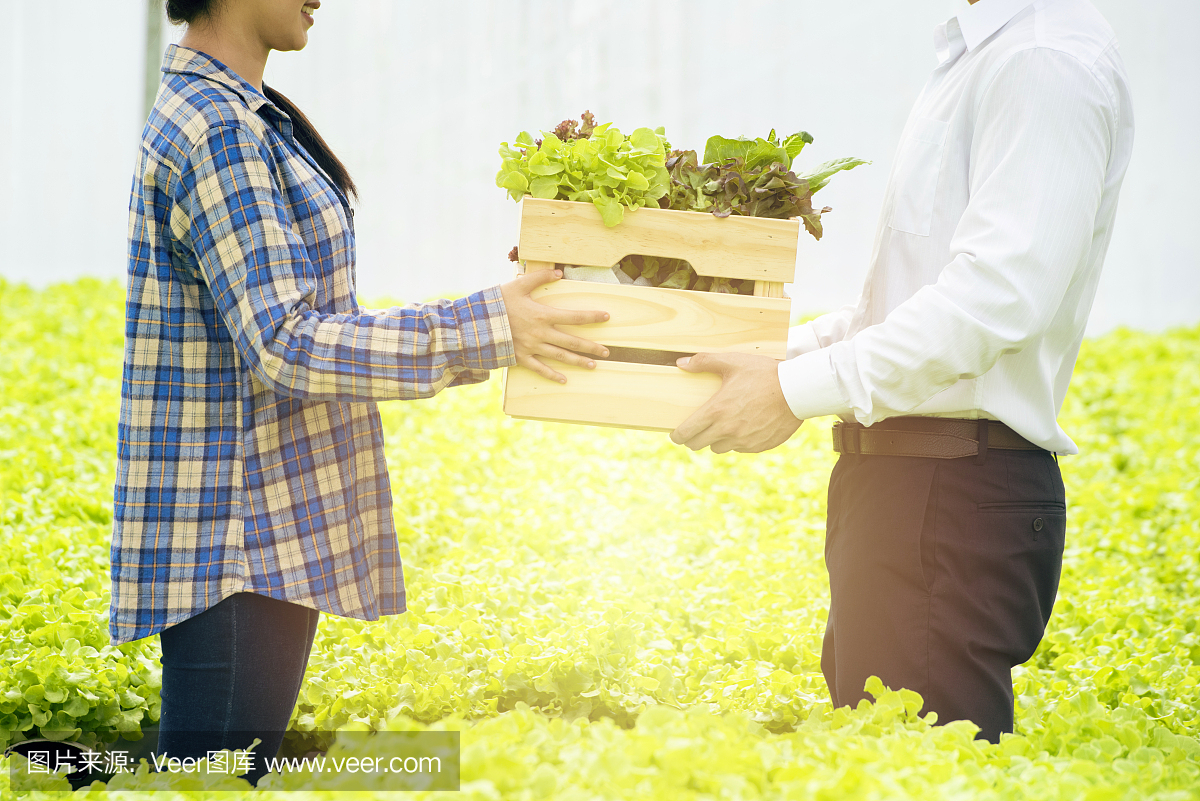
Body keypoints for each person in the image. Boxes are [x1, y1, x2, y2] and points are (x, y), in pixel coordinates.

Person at [110, 0, 609, 785]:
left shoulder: (244, 112)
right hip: (236, 538)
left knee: (217, 775)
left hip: (262, 527)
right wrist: (483, 326)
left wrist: (498, 318)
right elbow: (284, 340)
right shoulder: (219, 130)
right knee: (209, 781)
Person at [670, 0, 1133, 743]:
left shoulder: (1041, 62)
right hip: (907, 489)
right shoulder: (982, 56)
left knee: (919, 766)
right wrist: (779, 359)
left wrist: (794, 390)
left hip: (945, 495)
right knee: (883, 754)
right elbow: (909, 305)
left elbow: (996, 299)